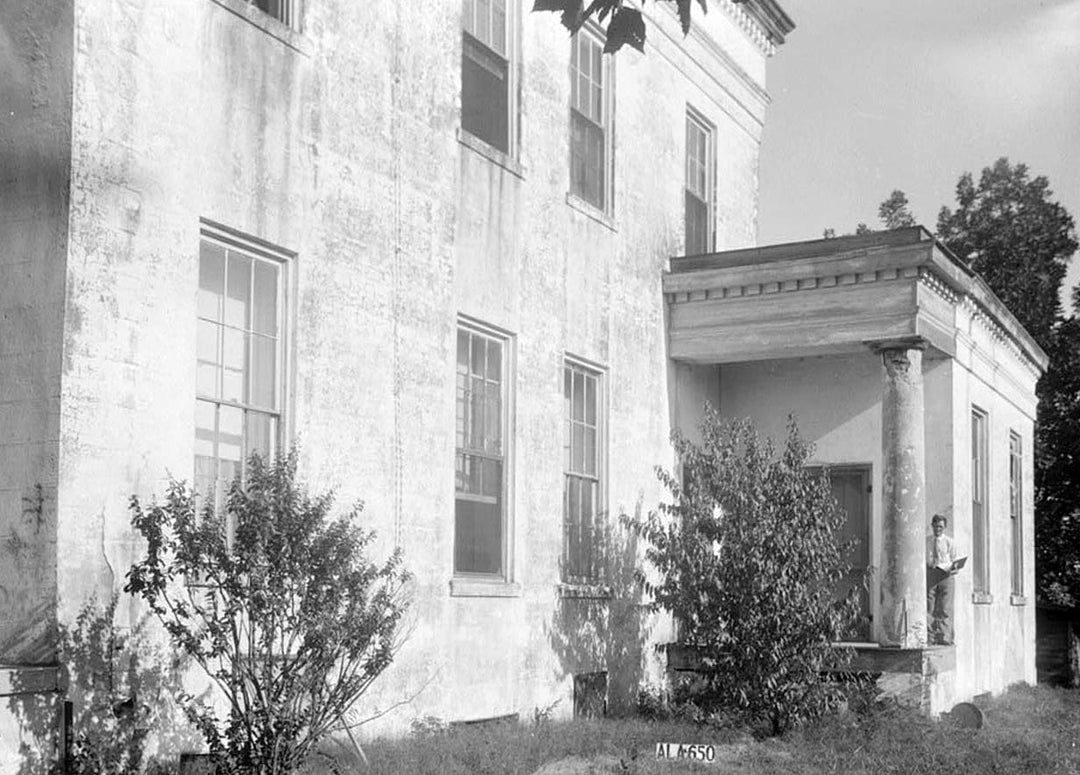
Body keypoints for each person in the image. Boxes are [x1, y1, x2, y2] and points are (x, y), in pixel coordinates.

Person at [926, 513, 958, 645]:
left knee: (945, 607)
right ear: (932, 526)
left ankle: (944, 637)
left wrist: (951, 568)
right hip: (931, 574)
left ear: (944, 527)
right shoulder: (927, 541)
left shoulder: (949, 542)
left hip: (946, 576)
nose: (937, 529)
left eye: (940, 527)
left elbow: (955, 561)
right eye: (935, 526)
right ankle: (929, 636)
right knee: (929, 605)